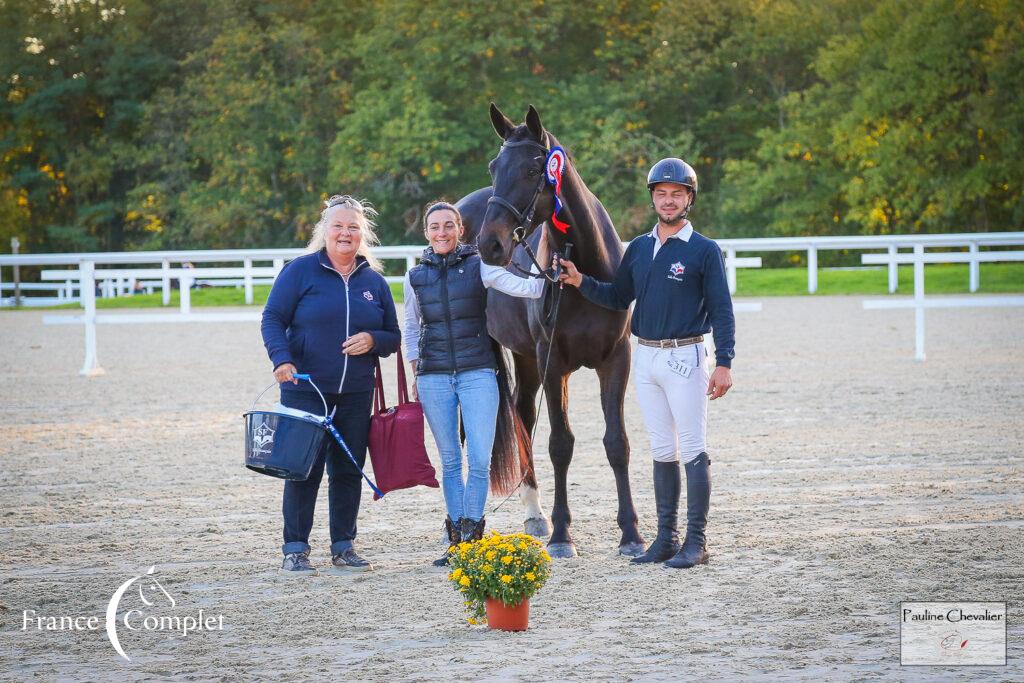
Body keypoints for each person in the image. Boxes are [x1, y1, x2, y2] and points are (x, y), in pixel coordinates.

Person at [558, 158, 735, 569]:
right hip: (647, 354)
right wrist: (581, 281)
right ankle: (666, 538)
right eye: (661, 194)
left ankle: (697, 541)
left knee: (692, 446)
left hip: (686, 354)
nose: (668, 201)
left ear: (689, 199)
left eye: (676, 194)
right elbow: (619, 297)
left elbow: (722, 311)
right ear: (653, 198)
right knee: (661, 448)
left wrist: (724, 362)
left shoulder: (704, 250)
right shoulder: (637, 248)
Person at [261, 195, 401, 575]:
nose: (345, 233)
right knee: (302, 470)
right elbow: (272, 317)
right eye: (338, 226)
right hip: (305, 390)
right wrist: (282, 359)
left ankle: (343, 545)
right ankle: (295, 548)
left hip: (356, 393)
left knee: (348, 470)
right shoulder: (300, 272)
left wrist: (373, 340)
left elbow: (393, 335)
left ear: (363, 234)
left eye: (353, 227)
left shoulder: (374, 281)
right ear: (324, 231)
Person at [403, 201, 544, 566]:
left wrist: (549, 266)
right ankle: (456, 539)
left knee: (478, 459)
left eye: (449, 225)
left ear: (460, 229)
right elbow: (412, 328)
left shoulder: (481, 267)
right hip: (434, 378)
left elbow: (528, 289)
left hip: (477, 374)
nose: (442, 232)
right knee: (450, 461)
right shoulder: (414, 276)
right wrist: (416, 371)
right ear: (427, 233)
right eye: (435, 227)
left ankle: (471, 535)